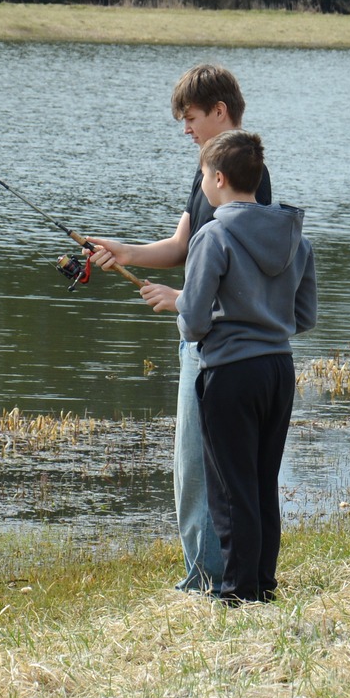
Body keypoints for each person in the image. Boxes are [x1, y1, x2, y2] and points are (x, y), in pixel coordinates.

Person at [85, 65, 272, 593]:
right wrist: (122, 251)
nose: (186, 128)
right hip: (202, 334)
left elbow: (234, 275)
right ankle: (210, 574)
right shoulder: (207, 172)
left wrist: (182, 301)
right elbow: (183, 247)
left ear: (219, 111)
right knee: (193, 467)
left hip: (214, 341)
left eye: (191, 118)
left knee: (198, 467)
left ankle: (210, 579)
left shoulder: (241, 179)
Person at [143, 131, 315, 604]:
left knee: (227, 486)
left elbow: (194, 322)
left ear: (217, 179)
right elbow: (305, 316)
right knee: (262, 481)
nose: (201, 184)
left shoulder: (212, 235)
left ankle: (236, 592)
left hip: (230, 374)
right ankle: (262, 582)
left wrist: (184, 310)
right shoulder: (294, 237)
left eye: (201, 176)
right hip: (279, 370)